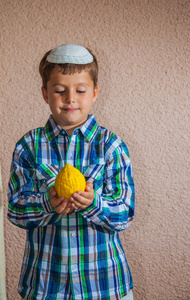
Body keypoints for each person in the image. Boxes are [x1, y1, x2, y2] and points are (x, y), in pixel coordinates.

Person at [7, 44, 135, 300]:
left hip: (104, 285)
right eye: (59, 90)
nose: (70, 98)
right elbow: (15, 211)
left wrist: (93, 203)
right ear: (45, 93)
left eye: (80, 90)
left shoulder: (111, 146)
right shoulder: (28, 146)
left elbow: (124, 214)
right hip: (45, 287)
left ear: (95, 92)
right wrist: (46, 203)